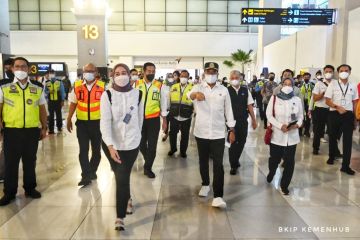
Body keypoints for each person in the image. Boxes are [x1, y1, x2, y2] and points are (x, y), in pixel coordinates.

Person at [100, 63, 143, 231]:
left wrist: (137, 139)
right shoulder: (107, 95)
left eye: (124, 72)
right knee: (119, 175)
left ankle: (120, 217)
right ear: (113, 76)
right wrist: (110, 146)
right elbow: (104, 122)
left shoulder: (138, 94)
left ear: (130, 75)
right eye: (117, 73)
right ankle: (128, 197)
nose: (121, 75)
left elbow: (140, 119)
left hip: (131, 144)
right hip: (111, 143)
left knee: (122, 177)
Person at [0, 57, 48, 206]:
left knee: (30, 161)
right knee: (10, 163)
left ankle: (30, 188)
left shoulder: (38, 87)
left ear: (28, 69)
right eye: (17, 66)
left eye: (23, 67)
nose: (20, 69)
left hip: (31, 131)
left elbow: (42, 109)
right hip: (11, 131)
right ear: (12, 69)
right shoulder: (4, 87)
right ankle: (9, 192)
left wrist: (44, 127)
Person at [188, 62, 235, 208]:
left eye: (214, 71)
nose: (211, 73)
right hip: (201, 132)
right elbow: (189, 95)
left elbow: (229, 110)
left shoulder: (224, 90)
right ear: (204, 73)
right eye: (208, 71)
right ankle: (205, 184)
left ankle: (218, 196)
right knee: (203, 161)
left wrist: (231, 129)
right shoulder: (198, 87)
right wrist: (196, 95)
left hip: (218, 133)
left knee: (218, 164)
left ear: (218, 73)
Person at [67, 63, 105, 186]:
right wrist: (68, 118)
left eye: (91, 70)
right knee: (83, 150)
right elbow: (73, 103)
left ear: (96, 72)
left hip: (97, 123)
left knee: (96, 152)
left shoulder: (103, 86)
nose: (88, 73)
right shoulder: (77, 86)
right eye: (86, 70)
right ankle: (85, 175)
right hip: (82, 124)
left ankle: (92, 171)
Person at [266, 78, 303, 195]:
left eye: (290, 84)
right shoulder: (275, 98)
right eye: (285, 84)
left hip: (292, 137)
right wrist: (280, 125)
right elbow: (269, 115)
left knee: (289, 162)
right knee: (274, 159)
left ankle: (284, 185)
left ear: (293, 86)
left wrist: (297, 124)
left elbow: (301, 116)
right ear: (281, 86)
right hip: (277, 136)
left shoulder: (296, 99)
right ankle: (271, 172)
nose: (287, 86)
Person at [135, 62, 168, 178]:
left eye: (153, 71)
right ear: (143, 71)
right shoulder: (136, 84)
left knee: (153, 145)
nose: (151, 73)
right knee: (140, 143)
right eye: (149, 71)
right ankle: (148, 158)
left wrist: (164, 120)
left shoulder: (159, 86)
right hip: (139, 120)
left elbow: (163, 103)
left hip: (153, 120)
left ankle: (147, 168)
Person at [325, 64, 358, 175]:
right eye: (342, 70)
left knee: (347, 141)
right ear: (338, 72)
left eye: (346, 70)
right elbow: (327, 100)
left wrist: (355, 118)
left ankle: (345, 166)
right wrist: (337, 107)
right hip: (334, 113)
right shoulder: (333, 84)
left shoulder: (353, 86)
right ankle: (331, 156)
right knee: (333, 137)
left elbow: (355, 102)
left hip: (348, 115)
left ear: (349, 72)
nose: (344, 72)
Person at [227, 70, 257, 175]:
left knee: (242, 141)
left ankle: (236, 159)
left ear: (240, 78)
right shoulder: (226, 90)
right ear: (230, 79)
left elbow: (249, 106)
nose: (234, 79)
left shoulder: (245, 90)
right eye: (232, 77)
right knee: (233, 143)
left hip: (243, 121)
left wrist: (254, 120)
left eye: (236, 77)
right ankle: (233, 165)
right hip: (230, 122)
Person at [168, 70, 193, 158]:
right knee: (172, 134)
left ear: (188, 77)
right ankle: (173, 149)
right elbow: (169, 99)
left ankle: (183, 151)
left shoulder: (192, 87)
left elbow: (195, 102)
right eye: (182, 76)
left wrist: (193, 112)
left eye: (185, 76)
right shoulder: (174, 86)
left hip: (186, 115)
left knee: (185, 135)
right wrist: (168, 110)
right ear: (179, 77)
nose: (183, 78)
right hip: (174, 114)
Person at [312, 65, 334, 154]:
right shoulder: (319, 84)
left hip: (332, 110)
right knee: (318, 130)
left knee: (333, 131)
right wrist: (323, 94)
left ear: (333, 73)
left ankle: (334, 151)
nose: (328, 73)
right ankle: (315, 148)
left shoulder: (336, 83)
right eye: (326, 71)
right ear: (324, 73)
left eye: (330, 71)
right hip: (320, 110)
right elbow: (315, 98)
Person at [44, 69, 65, 134]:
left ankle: (59, 127)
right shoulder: (47, 82)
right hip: (50, 102)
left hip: (58, 101)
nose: (51, 74)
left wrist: (62, 100)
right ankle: (51, 129)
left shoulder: (59, 81)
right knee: (51, 116)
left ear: (54, 73)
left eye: (52, 73)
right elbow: (45, 91)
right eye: (50, 73)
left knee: (59, 114)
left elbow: (62, 92)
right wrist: (48, 92)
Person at [162, 73, 176, 142]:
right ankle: (166, 134)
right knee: (166, 123)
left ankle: (172, 135)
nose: (170, 78)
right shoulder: (164, 86)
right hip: (167, 108)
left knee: (174, 124)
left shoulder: (176, 86)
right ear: (166, 78)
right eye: (169, 77)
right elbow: (163, 98)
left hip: (174, 108)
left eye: (172, 77)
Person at [299, 72, 314, 137]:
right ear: (303, 77)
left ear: (310, 78)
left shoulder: (312, 85)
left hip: (309, 103)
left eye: (308, 77)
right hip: (301, 102)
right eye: (305, 77)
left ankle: (307, 131)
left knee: (308, 118)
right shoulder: (299, 84)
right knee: (300, 117)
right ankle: (299, 131)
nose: (306, 78)